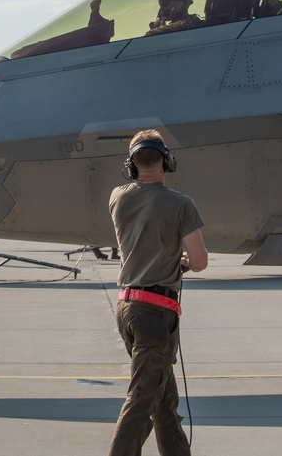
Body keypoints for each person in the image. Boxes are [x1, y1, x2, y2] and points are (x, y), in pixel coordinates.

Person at [108, 130, 208, 456]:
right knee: (141, 399)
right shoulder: (181, 203)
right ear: (167, 162)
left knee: (163, 400)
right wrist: (182, 263)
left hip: (127, 307)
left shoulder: (118, 196)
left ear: (131, 166)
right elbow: (200, 261)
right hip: (156, 313)